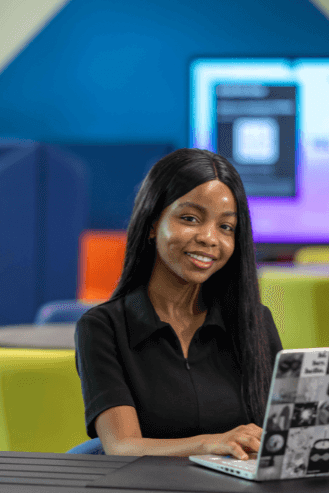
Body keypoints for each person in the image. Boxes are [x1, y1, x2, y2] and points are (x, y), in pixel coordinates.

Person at [74, 148, 283, 460]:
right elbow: (121, 446)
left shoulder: (254, 322)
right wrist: (210, 443)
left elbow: (282, 435)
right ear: (152, 223)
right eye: (190, 218)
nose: (209, 238)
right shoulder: (103, 328)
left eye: (225, 227)